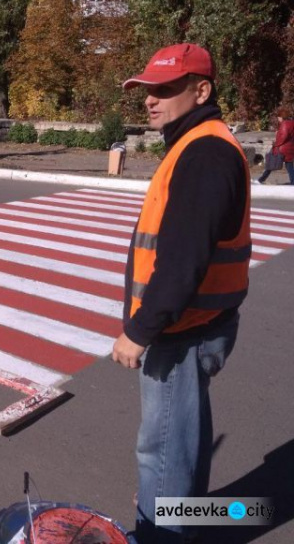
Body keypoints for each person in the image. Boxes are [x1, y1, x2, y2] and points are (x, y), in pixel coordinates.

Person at [114, 43, 251, 544]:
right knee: (184, 443)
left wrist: (140, 330)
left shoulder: (205, 152)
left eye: (166, 88)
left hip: (182, 330)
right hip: (196, 324)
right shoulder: (197, 143)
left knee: (164, 451)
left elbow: (183, 258)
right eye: (148, 90)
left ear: (202, 90)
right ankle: (182, 519)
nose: (151, 99)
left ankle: (164, 534)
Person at [257, 106, 294, 184]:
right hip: (289, 148)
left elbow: (284, 136)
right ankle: (293, 182)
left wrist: (276, 144)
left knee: (271, 163)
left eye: (278, 117)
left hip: (281, 149)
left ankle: (261, 179)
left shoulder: (284, 124)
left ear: (281, 117)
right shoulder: (291, 123)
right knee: (289, 166)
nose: (278, 119)